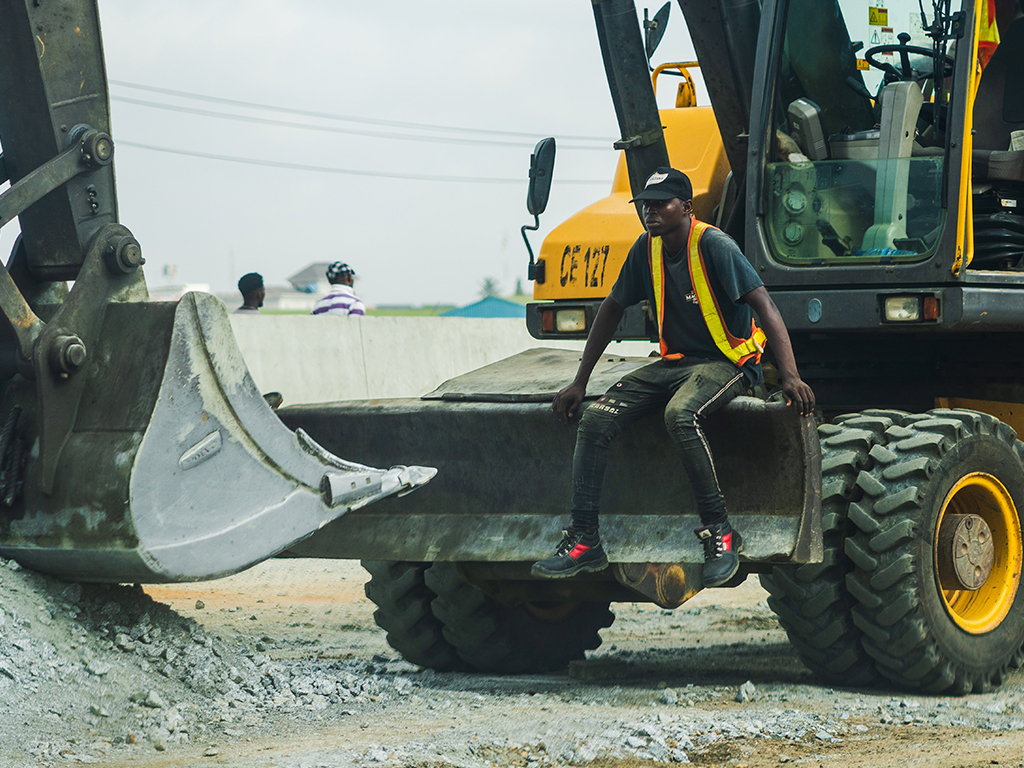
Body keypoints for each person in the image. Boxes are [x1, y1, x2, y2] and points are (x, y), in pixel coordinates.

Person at [531, 167, 815, 588]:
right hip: (674, 363)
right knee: (596, 418)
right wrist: (580, 381)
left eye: (661, 203)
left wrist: (789, 375)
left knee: (680, 415)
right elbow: (610, 309)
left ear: (686, 207)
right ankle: (585, 540)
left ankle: (721, 534)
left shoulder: (715, 245)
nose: (651, 211)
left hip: (729, 363)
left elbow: (765, 306)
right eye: (645, 204)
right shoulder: (646, 249)